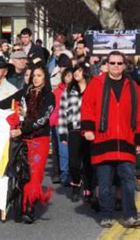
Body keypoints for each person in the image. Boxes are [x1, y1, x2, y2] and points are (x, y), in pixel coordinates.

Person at [0, 64, 55, 224]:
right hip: (23, 139)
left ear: (45, 77)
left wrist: (22, 130)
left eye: (39, 75)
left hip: (39, 140)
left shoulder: (49, 96)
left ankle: (29, 208)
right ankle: (21, 204)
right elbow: (4, 103)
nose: (36, 78)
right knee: (22, 174)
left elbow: (42, 120)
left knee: (35, 175)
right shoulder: (25, 92)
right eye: (34, 75)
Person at [81, 51, 140, 228]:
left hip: (126, 140)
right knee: (105, 183)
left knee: (128, 182)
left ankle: (130, 215)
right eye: (112, 63)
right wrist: (88, 129)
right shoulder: (96, 83)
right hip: (103, 139)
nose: (116, 66)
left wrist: (138, 139)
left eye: (119, 63)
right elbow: (87, 107)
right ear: (106, 65)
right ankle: (106, 214)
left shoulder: (133, 86)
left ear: (124, 65)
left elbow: (138, 114)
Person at [59, 63, 94, 203]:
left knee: (88, 161)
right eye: (74, 71)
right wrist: (62, 132)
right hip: (74, 128)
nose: (76, 73)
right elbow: (62, 111)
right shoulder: (69, 89)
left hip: (90, 130)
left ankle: (89, 187)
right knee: (73, 162)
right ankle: (76, 183)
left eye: (79, 70)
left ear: (85, 72)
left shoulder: (93, 88)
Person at [51, 68, 74, 186]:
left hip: (74, 124)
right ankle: (65, 174)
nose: (69, 78)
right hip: (60, 124)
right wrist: (53, 122)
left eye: (71, 75)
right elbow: (54, 109)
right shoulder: (57, 91)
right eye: (67, 76)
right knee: (63, 150)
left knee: (74, 150)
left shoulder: (77, 90)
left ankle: (74, 174)